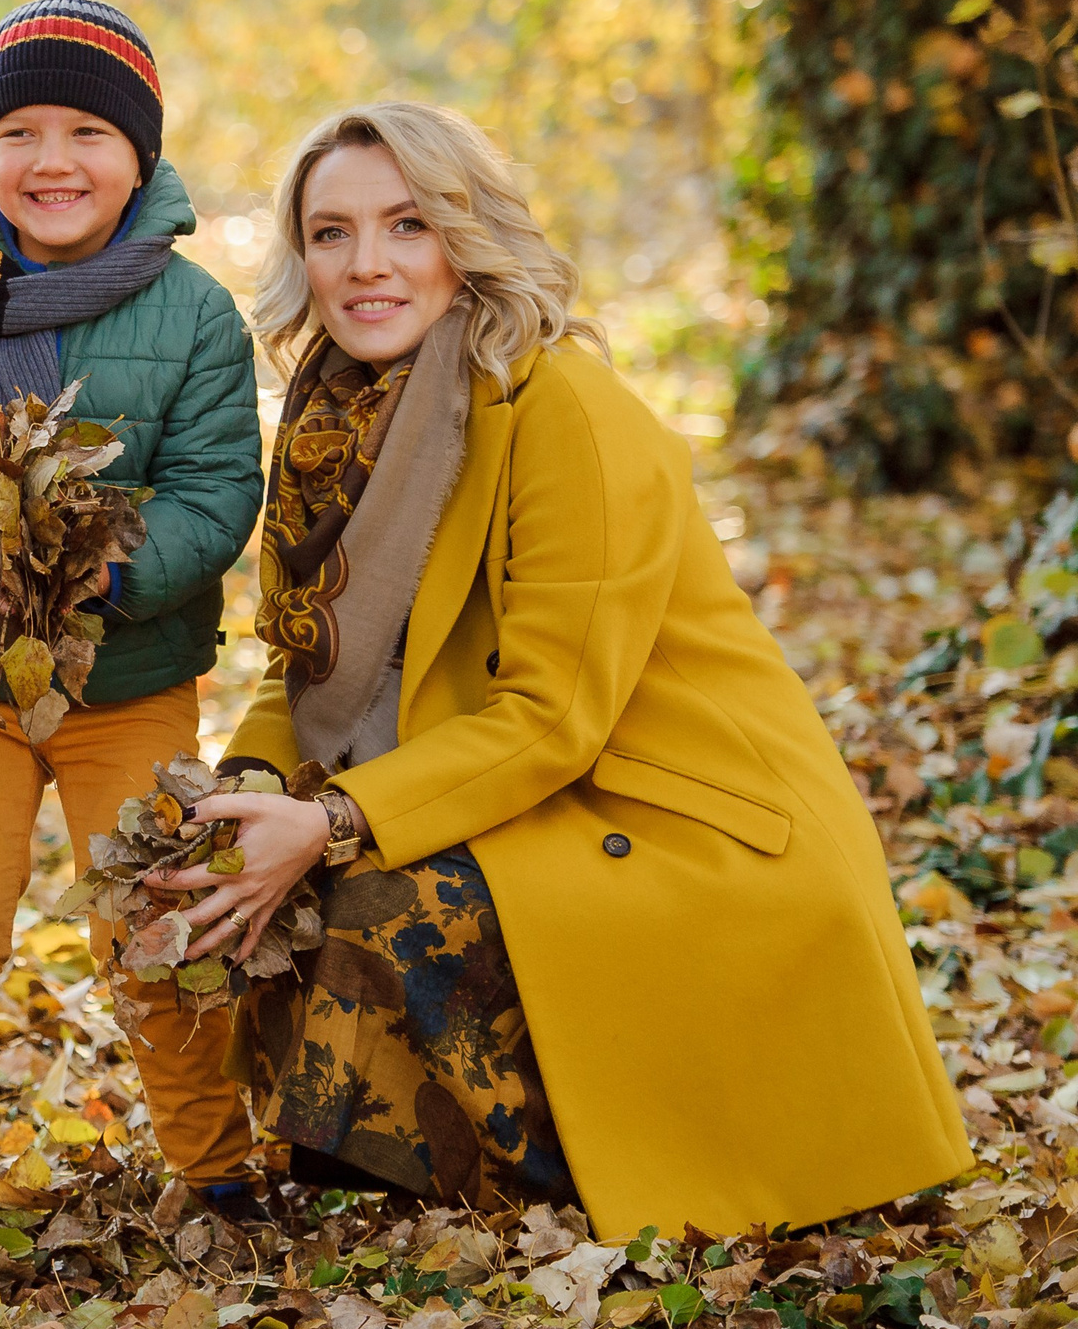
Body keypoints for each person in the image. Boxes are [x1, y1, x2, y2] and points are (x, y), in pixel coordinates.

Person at [154, 99, 970, 1235]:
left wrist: (333, 821)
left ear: (468, 237)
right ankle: (379, 1174)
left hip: (671, 814)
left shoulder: (564, 412)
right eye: (330, 233)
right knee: (219, 897)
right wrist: (248, 786)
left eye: (407, 225)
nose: (366, 265)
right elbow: (297, 668)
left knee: (379, 903)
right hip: (503, 783)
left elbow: (551, 719)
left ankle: (552, 1189)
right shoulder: (335, 418)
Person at [0, 0, 267, 1209]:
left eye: (88, 131)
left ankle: (214, 1164)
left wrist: (100, 568)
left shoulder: (195, 314)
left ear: (141, 155)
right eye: (19, 131)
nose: (52, 160)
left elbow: (218, 487)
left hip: (125, 684)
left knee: (149, 925)